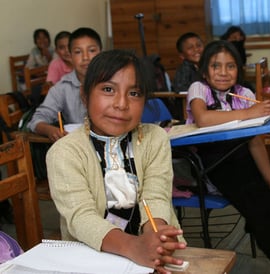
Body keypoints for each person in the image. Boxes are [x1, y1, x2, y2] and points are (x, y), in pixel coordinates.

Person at [185, 40, 270, 274]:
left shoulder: (244, 93)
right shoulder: (199, 89)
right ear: (204, 71)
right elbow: (203, 119)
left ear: (238, 69)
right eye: (215, 66)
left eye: (230, 66)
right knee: (261, 201)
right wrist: (248, 114)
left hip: (243, 159)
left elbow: (256, 142)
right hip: (213, 167)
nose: (222, 72)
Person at [46, 49, 186, 273]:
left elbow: (156, 195)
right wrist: (135, 247)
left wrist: (155, 236)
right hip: (91, 257)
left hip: (147, 251)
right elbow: (81, 218)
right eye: (108, 89)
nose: (121, 104)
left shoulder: (155, 138)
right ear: (85, 95)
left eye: (134, 93)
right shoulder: (64, 152)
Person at [28, 27, 102, 142]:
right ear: (70, 56)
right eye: (78, 52)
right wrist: (49, 130)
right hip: (80, 148)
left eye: (92, 50)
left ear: (101, 53)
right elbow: (36, 120)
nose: (86, 57)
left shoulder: (114, 81)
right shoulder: (62, 88)